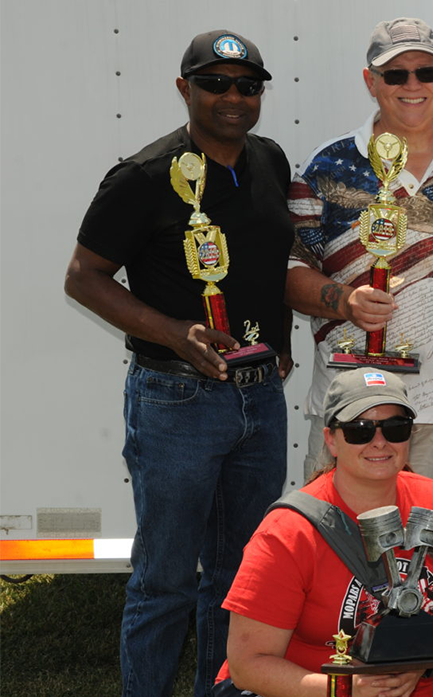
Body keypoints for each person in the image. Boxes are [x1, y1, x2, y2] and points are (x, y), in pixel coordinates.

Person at [63, 30, 292, 697]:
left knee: (239, 573)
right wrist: (172, 330)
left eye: (247, 85)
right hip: (177, 399)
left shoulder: (270, 160)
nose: (232, 97)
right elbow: (84, 276)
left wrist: (279, 339)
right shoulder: (142, 175)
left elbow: (271, 261)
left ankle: (222, 689)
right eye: (214, 82)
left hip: (259, 397)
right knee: (165, 575)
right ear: (182, 87)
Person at [286, 17, 433, 510]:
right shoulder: (327, 165)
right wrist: (346, 302)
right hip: (349, 401)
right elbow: (289, 273)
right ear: (371, 82)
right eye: (395, 75)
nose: (413, 86)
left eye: (426, 72)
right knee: (336, 547)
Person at [216, 368, 433, 697]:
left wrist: (419, 663)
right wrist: (348, 689)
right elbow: (248, 665)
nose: (379, 441)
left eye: (395, 428)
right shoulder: (288, 532)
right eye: (359, 430)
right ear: (331, 438)